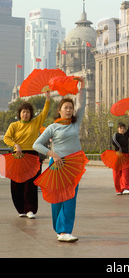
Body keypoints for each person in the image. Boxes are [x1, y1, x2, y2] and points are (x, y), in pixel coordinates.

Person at [33, 76, 85, 242]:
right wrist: (53, 154)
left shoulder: (75, 124)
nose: (69, 110)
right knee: (57, 199)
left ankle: (65, 231)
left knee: (70, 197)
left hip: (73, 165)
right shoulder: (52, 127)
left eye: (70, 107)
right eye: (65, 108)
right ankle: (59, 229)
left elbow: (82, 105)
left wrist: (82, 86)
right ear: (60, 111)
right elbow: (37, 144)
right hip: (56, 164)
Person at [3, 91, 51, 219]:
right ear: (19, 114)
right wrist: (15, 145)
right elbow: (6, 138)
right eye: (23, 112)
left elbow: (45, 112)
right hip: (17, 156)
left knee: (31, 183)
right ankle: (21, 209)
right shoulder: (14, 125)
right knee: (16, 184)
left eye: (28, 112)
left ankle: (30, 210)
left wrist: (47, 99)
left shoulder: (35, 123)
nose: (25, 114)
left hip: (32, 155)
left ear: (31, 114)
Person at [112, 112, 129, 195]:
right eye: (121, 128)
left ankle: (125, 188)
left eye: (124, 128)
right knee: (117, 173)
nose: (122, 129)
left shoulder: (126, 135)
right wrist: (119, 149)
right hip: (117, 155)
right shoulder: (116, 135)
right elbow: (114, 142)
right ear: (118, 129)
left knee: (125, 172)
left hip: (125, 155)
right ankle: (118, 189)